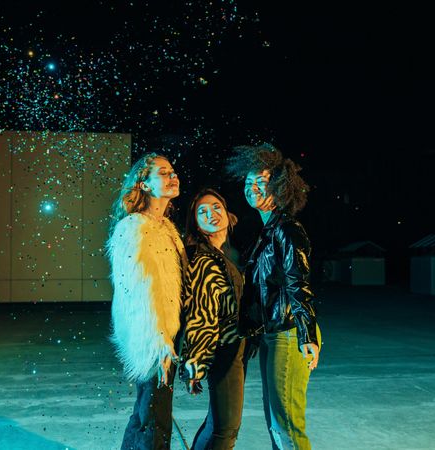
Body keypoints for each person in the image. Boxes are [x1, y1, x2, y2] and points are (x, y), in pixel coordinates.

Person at [226, 144, 321, 450]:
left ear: (280, 187)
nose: (252, 188)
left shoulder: (288, 230)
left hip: (289, 333)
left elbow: (298, 284)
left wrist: (307, 334)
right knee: (276, 420)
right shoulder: (267, 231)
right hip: (273, 334)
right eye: (248, 183)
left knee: (287, 422)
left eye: (261, 183)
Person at [106, 153, 187, 450]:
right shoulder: (134, 228)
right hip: (153, 339)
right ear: (144, 184)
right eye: (163, 173)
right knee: (155, 418)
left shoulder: (166, 228)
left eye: (173, 171)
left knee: (148, 413)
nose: (172, 176)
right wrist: (158, 341)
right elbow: (137, 292)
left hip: (167, 335)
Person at [182, 188, 245, 450]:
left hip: (234, 347)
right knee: (225, 428)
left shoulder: (225, 254)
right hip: (222, 350)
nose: (212, 214)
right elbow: (201, 314)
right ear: (195, 222)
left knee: (218, 423)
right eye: (203, 211)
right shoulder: (203, 259)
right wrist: (196, 362)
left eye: (216, 207)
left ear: (228, 213)